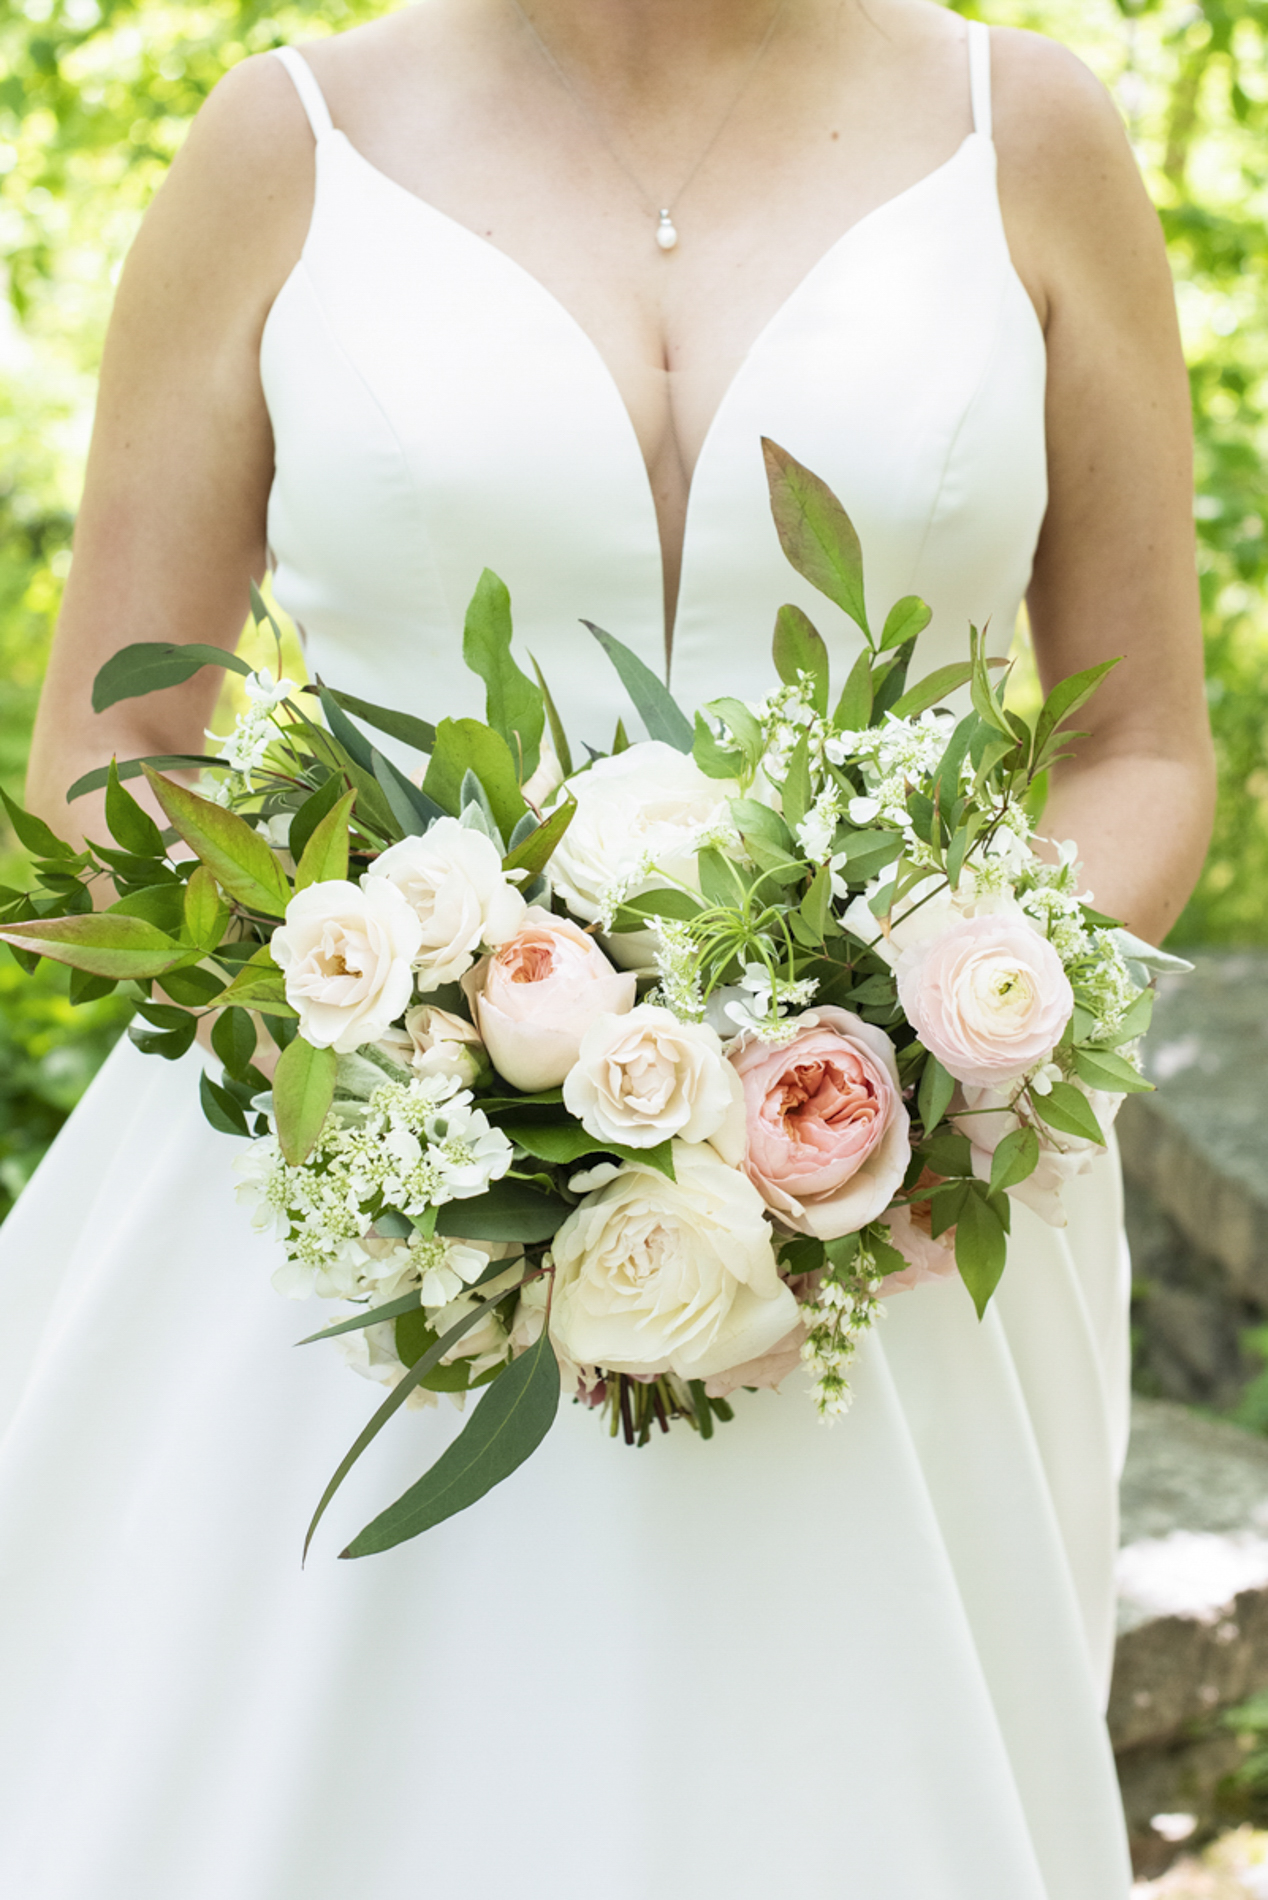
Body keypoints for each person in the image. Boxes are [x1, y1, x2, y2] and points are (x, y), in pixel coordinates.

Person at [0, 1, 1214, 1894]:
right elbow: (109, 753)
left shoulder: (1027, 133)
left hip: (905, 1206)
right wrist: (412, 1040)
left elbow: (1144, 745)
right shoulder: (283, 146)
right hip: (362, 1222)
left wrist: (940, 1058)